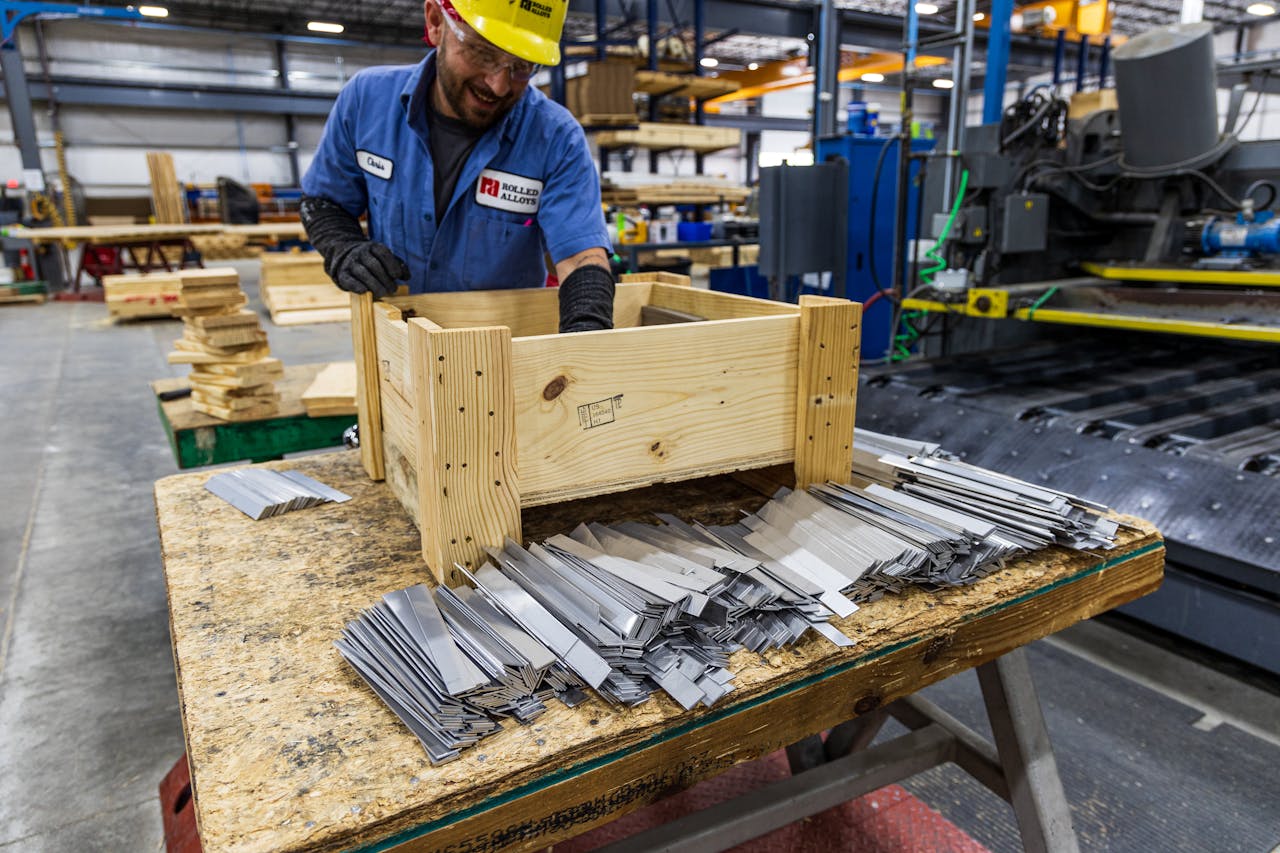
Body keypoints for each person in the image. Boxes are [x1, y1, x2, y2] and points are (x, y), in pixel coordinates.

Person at [299, 0, 614, 333]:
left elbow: (581, 258)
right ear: (436, 23)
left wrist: (585, 344)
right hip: (398, 347)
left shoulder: (555, 137)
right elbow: (323, 202)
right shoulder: (367, 101)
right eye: (482, 53)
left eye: (521, 66)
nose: (498, 85)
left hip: (506, 358)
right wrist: (344, 248)